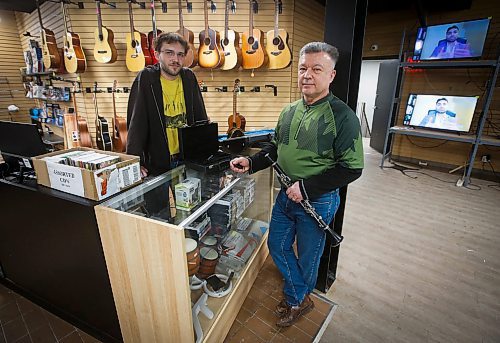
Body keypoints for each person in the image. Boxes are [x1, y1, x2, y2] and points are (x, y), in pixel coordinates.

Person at [230, 42, 364, 327]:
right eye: (303, 68)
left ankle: (295, 300)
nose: (307, 75)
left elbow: (352, 168)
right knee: (277, 245)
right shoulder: (289, 111)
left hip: (318, 200)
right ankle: (300, 294)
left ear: (332, 75)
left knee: (308, 258)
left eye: (317, 69)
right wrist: (251, 163)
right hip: (286, 197)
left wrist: (306, 188)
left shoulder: (343, 117)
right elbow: (276, 150)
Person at [127, 32, 208, 177]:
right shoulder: (146, 78)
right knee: (158, 200)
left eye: (180, 54)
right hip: (156, 161)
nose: (175, 59)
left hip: (187, 159)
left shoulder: (189, 77)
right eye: (169, 53)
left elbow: (200, 115)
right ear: (157, 54)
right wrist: (134, 161)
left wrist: (205, 153)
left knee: (192, 199)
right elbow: (136, 122)